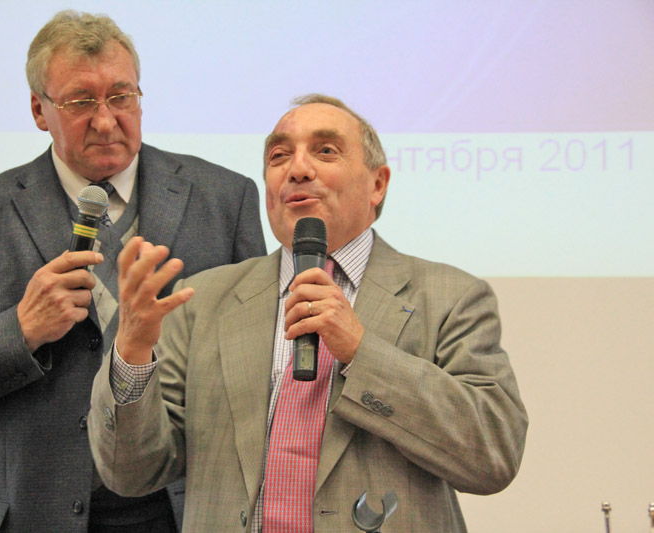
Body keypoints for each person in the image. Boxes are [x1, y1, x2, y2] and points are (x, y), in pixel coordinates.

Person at [0, 10, 265, 533]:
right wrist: (20, 330)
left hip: (185, 511)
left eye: (121, 97)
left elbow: (258, 364)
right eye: (81, 102)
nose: (105, 121)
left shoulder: (223, 199)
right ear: (39, 110)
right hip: (34, 516)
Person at [88, 94, 528, 531]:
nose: (297, 169)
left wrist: (360, 351)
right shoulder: (204, 300)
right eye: (279, 156)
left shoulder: (450, 296)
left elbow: (493, 454)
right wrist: (133, 353)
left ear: (378, 184)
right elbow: (132, 472)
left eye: (326, 151)